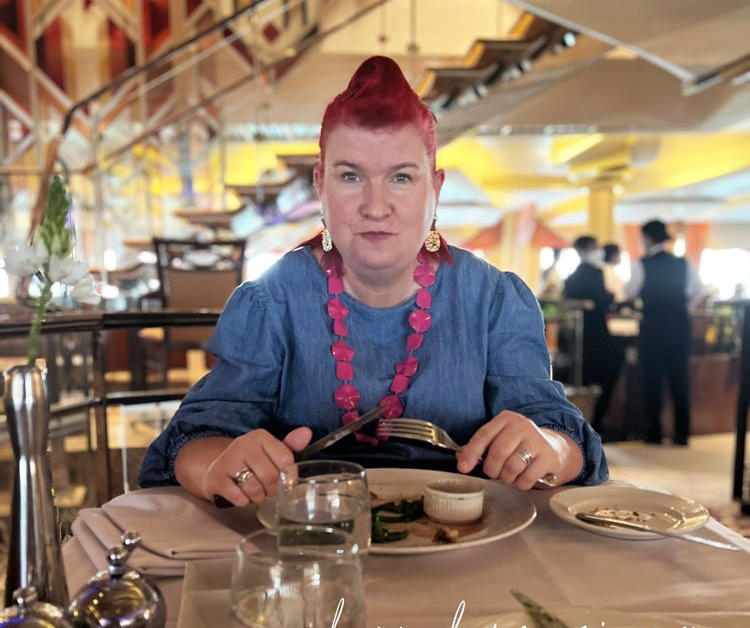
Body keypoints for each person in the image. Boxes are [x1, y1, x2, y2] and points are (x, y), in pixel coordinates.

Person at [138, 56, 608, 506]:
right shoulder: (271, 301)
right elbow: (199, 433)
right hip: (313, 545)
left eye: (401, 177)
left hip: (466, 544)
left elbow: (558, 431)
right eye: (350, 176)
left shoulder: (493, 300)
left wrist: (548, 447)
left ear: (435, 188)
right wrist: (220, 464)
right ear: (320, 185)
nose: (376, 206)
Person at [624, 219, 703, 446]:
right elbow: (699, 291)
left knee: (652, 380)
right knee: (679, 380)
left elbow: (629, 293)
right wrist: (683, 305)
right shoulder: (683, 263)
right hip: (679, 327)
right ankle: (682, 435)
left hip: (653, 327)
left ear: (647, 238)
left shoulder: (643, 264)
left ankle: (654, 434)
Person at [562, 236, 623, 435]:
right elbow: (606, 299)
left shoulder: (571, 279)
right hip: (599, 337)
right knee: (606, 379)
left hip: (580, 341)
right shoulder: (597, 273)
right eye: (594, 247)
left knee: (585, 383)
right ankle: (598, 424)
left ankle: (583, 427)